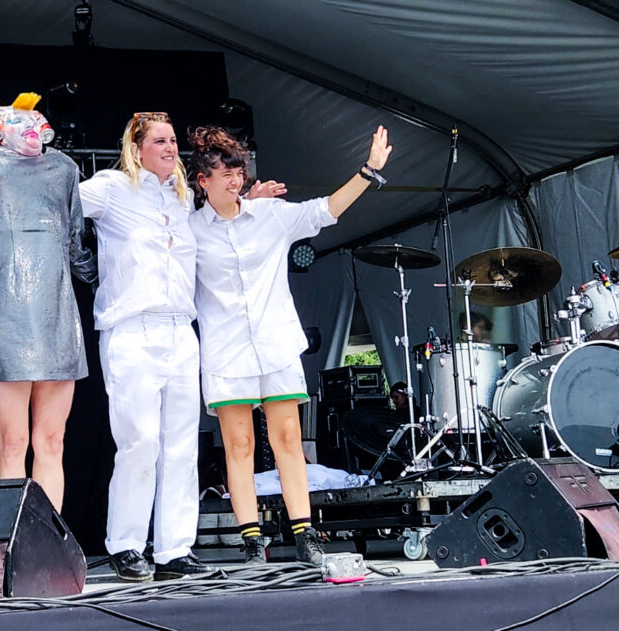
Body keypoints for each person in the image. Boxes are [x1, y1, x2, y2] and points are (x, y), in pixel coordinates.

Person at [186, 125, 393, 565]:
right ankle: (251, 541)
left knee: (288, 439)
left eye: (237, 170)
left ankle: (304, 533)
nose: (234, 179)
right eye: (223, 172)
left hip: (276, 343)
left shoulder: (271, 216)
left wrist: (368, 172)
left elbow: (325, 210)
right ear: (203, 181)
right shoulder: (191, 232)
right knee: (238, 447)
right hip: (225, 352)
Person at [0, 94, 96, 512]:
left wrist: (103, 281)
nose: (29, 130)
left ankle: (47, 539)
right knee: (13, 441)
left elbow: (74, 241)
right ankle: (12, 539)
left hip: (58, 314)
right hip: (6, 313)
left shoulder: (64, 168)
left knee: (52, 439)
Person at [78, 112, 212, 582]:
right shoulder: (112, 187)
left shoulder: (183, 199)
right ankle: (127, 544)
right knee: (138, 442)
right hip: (132, 329)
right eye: (160, 140)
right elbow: (61, 203)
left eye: (174, 139)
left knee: (180, 446)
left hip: (180, 328)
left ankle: (175, 549)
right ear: (137, 149)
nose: (171, 147)